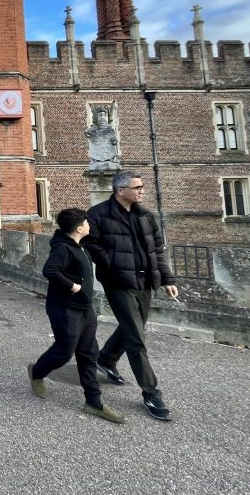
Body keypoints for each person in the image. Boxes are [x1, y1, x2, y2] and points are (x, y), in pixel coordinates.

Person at [84, 169, 178, 421]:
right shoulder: (98, 214)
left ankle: (106, 358)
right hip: (118, 281)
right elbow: (90, 244)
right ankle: (151, 393)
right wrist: (112, 263)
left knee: (133, 327)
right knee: (136, 337)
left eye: (142, 186)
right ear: (120, 190)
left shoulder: (146, 216)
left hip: (145, 281)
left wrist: (167, 278)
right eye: (137, 187)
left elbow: (158, 249)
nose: (142, 190)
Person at [28, 208, 125, 423]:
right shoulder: (63, 248)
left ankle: (94, 402)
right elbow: (50, 270)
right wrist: (73, 286)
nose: (89, 225)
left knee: (89, 353)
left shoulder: (80, 245)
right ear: (80, 227)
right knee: (64, 351)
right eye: (87, 222)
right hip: (65, 308)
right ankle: (37, 372)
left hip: (84, 308)